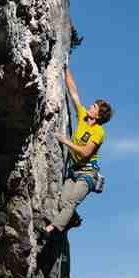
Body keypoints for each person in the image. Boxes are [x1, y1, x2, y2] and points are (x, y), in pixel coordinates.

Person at [44, 66, 114, 236]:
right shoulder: (83, 116)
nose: (90, 106)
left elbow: (84, 153)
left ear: (98, 115)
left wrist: (65, 141)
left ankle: (50, 229)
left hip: (87, 175)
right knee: (62, 202)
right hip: (74, 171)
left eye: (94, 107)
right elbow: (73, 92)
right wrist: (65, 68)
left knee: (70, 203)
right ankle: (73, 219)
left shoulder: (98, 133)